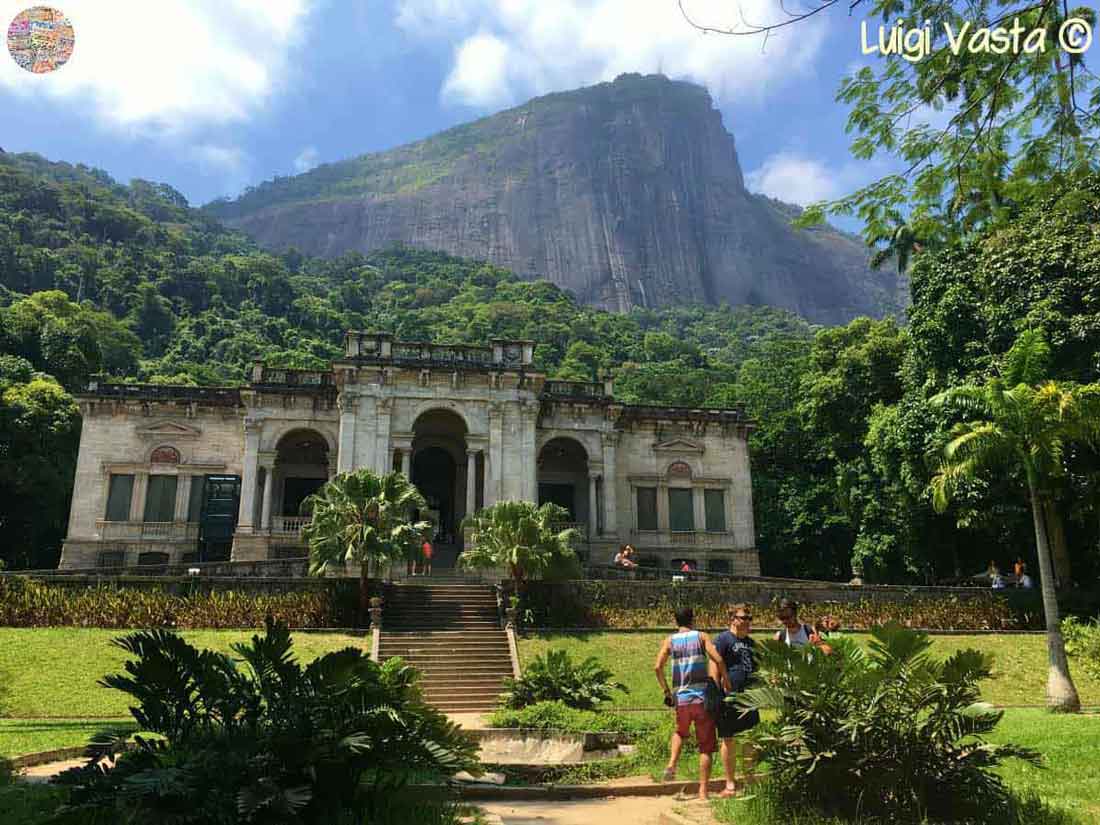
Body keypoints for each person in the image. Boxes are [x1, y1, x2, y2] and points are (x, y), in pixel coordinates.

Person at [654, 606, 731, 801]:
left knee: (680, 731)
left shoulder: (670, 640)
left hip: (681, 698)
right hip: (701, 698)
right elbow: (718, 659)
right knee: (705, 746)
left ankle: (672, 763)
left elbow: (657, 667)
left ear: (676, 621)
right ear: (692, 619)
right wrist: (726, 681)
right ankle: (703, 792)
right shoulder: (701, 636)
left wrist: (666, 691)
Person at [714, 604, 761, 798]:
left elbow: (758, 669)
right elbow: (715, 665)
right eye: (744, 617)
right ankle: (730, 783)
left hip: (750, 698)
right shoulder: (724, 639)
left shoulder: (751, 643)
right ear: (733, 618)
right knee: (729, 739)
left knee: (750, 739)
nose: (747, 621)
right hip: (729, 698)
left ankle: (750, 779)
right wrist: (717, 692)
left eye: (750, 618)